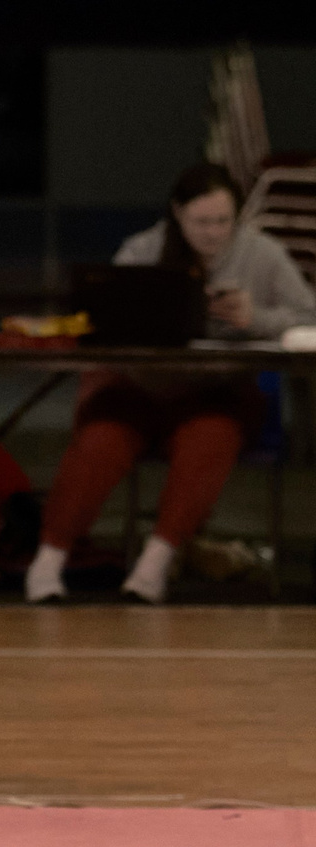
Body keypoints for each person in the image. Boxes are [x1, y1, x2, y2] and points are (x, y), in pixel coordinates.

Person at [27, 161, 316, 604]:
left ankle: (155, 562)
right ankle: (48, 560)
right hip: (140, 389)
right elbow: (103, 320)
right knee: (100, 442)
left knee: (210, 439)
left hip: (216, 394)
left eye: (223, 221)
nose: (213, 232)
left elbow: (308, 317)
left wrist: (256, 318)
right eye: (202, 222)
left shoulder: (263, 254)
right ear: (178, 215)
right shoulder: (141, 251)